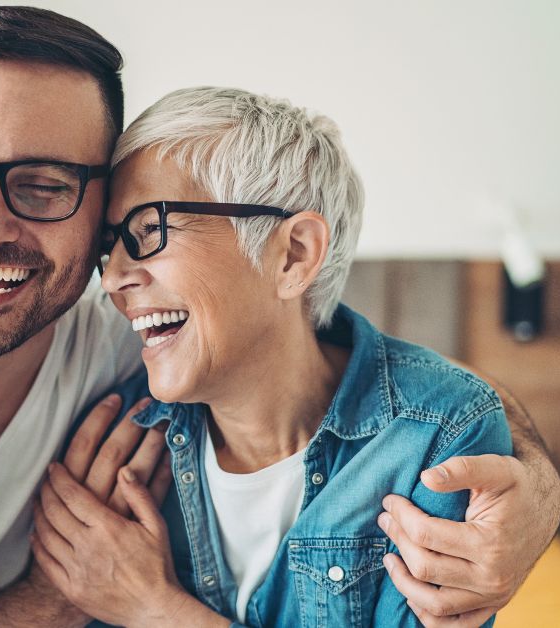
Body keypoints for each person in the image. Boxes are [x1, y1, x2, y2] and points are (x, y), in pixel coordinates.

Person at [0, 7, 560, 627]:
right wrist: (65, 599)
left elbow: (356, 376)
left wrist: (536, 495)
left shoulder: (138, 358)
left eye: (44, 185)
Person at [30, 87, 534, 627]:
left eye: (150, 231)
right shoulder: (118, 439)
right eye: (112, 246)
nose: (112, 278)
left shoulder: (436, 439)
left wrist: (157, 611)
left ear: (293, 255)